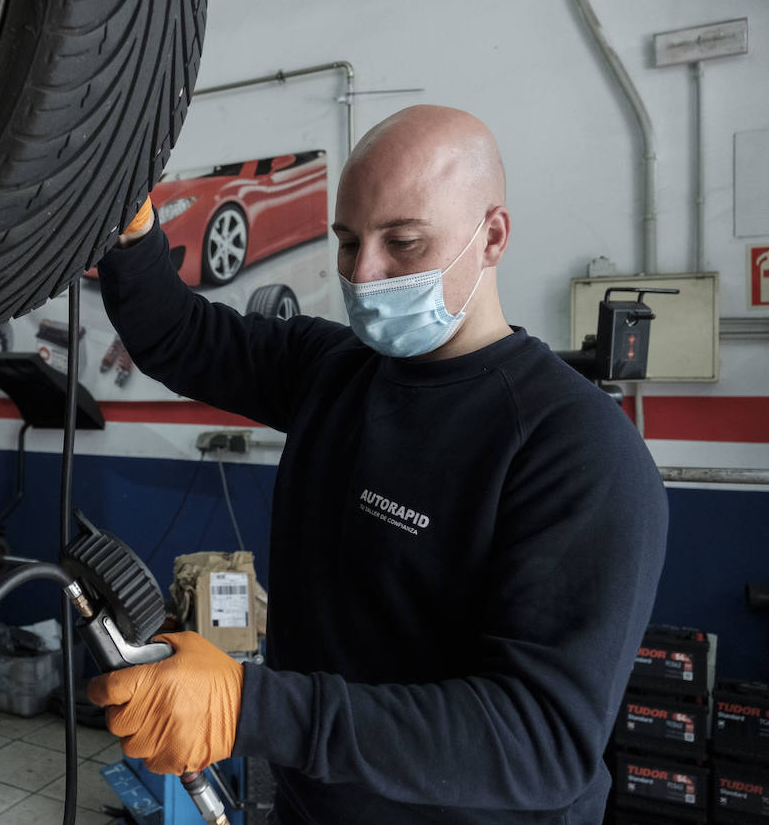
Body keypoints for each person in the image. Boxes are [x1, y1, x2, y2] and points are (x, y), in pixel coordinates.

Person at [87, 105, 668, 823]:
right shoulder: (335, 371)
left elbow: (538, 741)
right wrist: (129, 228)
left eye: (404, 243)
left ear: (492, 236)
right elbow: (181, 337)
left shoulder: (578, 451)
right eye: (348, 242)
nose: (364, 274)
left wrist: (252, 704)